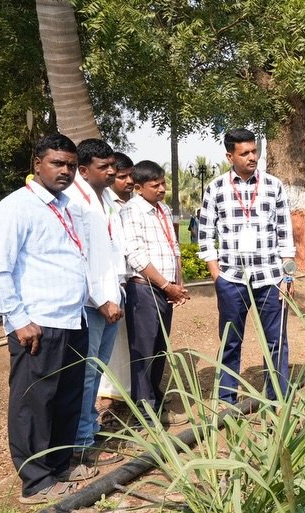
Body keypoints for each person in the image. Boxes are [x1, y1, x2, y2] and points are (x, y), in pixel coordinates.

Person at [0, 134, 93, 504]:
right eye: (57, 164)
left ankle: (59, 465)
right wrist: (17, 317)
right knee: (35, 402)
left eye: (71, 165)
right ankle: (36, 480)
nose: (66, 171)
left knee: (65, 398)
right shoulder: (16, 208)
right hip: (38, 322)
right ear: (37, 164)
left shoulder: (65, 206)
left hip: (72, 319)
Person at [198, 128, 295, 405]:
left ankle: (277, 399)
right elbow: (205, 235)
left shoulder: (273, 186)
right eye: (245, 153)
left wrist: (288, 275)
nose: (253, 157)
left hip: (270, 279)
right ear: (230, 156)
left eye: (255, 151)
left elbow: (284, 232)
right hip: (232, 279)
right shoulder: (216, 188)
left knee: (276, 341)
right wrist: (217, 276)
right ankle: (226, 401)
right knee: (230, 341)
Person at [64, 139, 125, 466]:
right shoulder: (75, 203)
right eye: (104, 167)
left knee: (97, 371)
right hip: (93, 304)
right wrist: (101, 299)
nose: (112, 171)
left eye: (112, 165)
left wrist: (118, 292)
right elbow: (79, 258)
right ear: (84, 170)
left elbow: (112, 250)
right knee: (87, 373)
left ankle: (89, 428)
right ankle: (80, 440)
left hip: (112, 297)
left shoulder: (106, 200)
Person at [120, 160, 190, 426]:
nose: (162, 189)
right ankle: (143, 413)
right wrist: (165, 285)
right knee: (144, 351)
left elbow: (174, 247)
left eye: (163, 183)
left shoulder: (161, 209)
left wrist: (177, 282)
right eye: (155, 185)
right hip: (145, 289)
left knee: (160, 349)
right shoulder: (132, 212)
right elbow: (135, 255)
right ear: (138, 187)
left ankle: (155, 402)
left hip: (164, 289)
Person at [95, 151, 135, 425]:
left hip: (132, 282)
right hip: (108, 287)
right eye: (122, 176)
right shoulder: (104, 204)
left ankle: (131, 391)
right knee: (112, 343)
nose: (128, 181)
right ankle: (108, 395)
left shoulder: (136, 203)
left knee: (131, 340)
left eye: (131, 175)